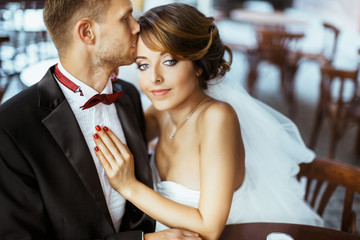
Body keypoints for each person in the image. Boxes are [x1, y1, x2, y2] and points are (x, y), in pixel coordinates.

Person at [93, 3, 324, 240]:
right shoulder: (162, 110)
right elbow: (117, 129)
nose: (154, 78)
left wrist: (129, 187)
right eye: (143, 64)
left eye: (170, 61)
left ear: (197, 66)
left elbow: (209, 227)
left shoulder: (217, 118)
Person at [0, 0, 202, 239]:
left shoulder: (128, 96)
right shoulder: (11, 128)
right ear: (87, 32)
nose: (137, 27)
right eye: (125, 18)